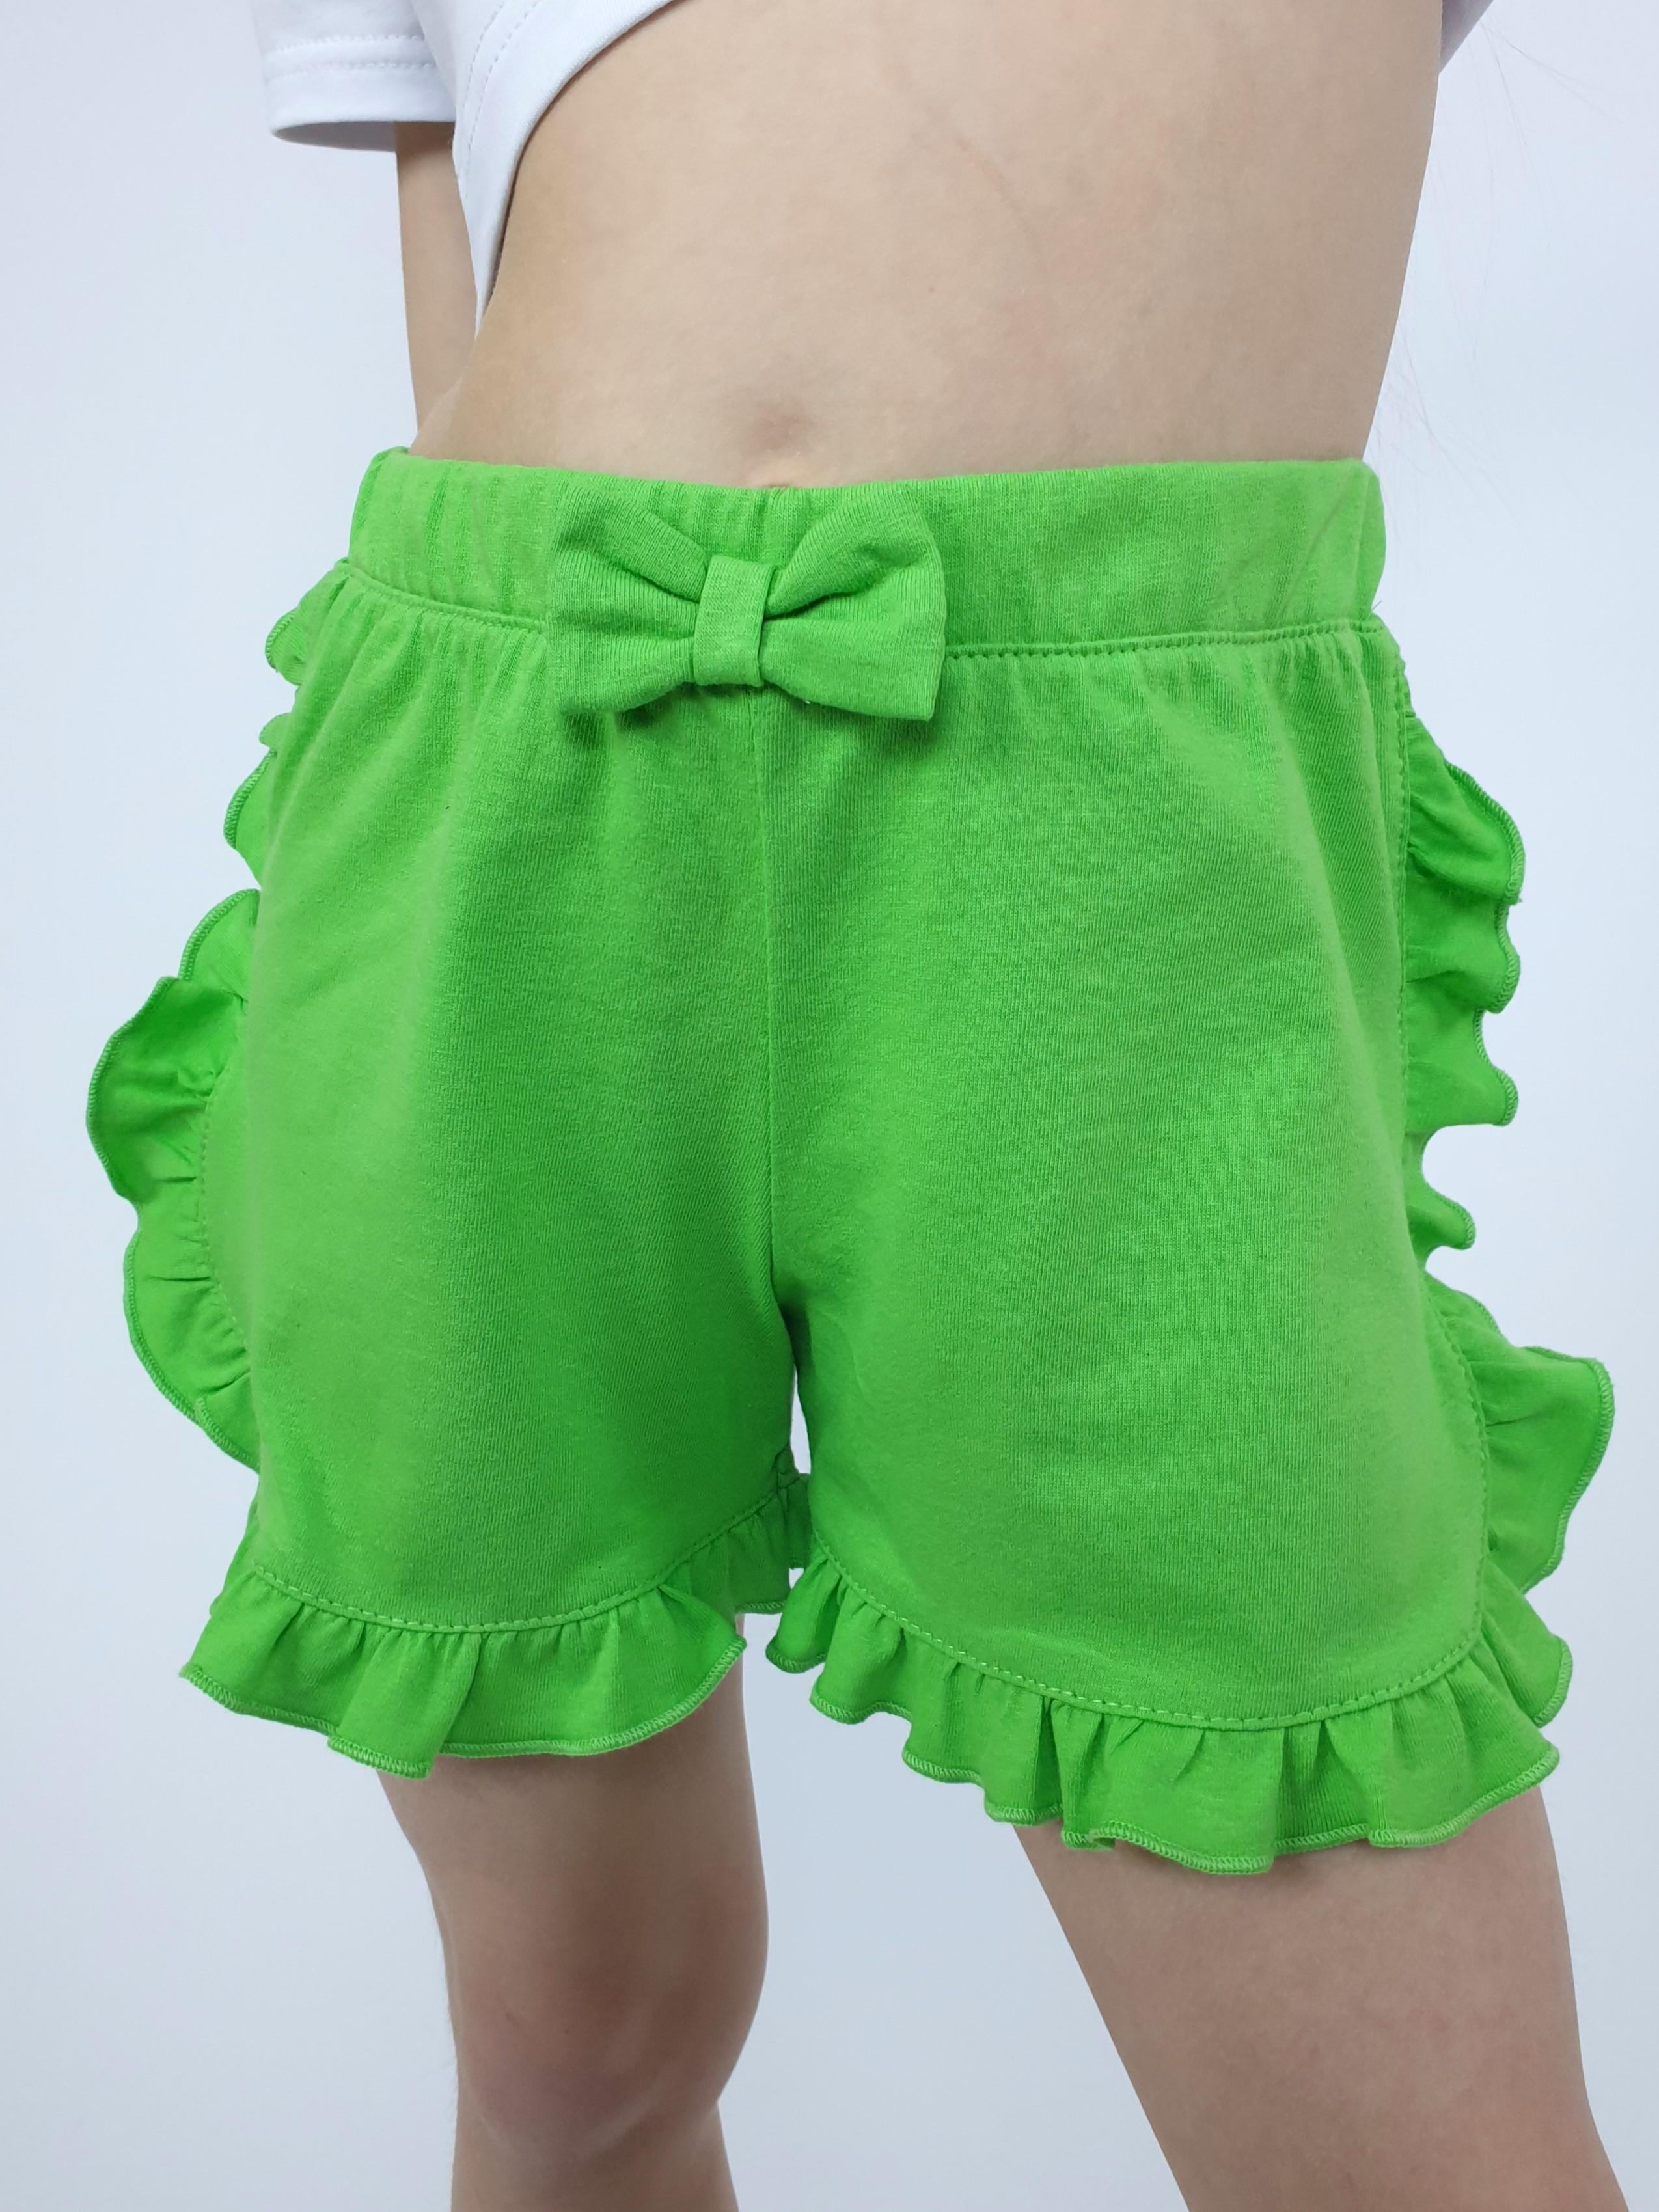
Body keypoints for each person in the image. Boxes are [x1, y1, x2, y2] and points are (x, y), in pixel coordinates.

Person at [89, 3, 1626, 2206]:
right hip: (512, 798)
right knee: (580, 2044)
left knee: (1417, 2151)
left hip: (1112, 880)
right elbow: (459, 302)